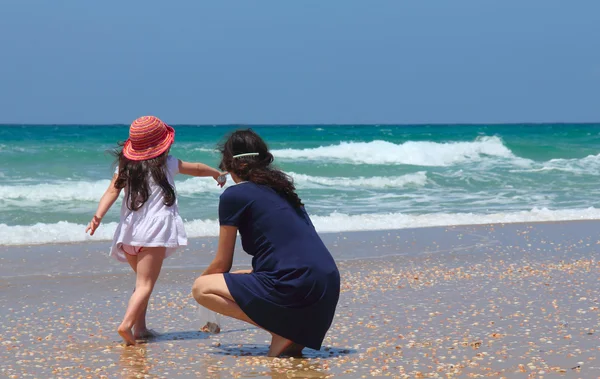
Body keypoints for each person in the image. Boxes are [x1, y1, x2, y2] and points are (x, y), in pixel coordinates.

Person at [192, 129, 340, 357]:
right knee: (244, 274)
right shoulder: (283, 190)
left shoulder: (233, 196)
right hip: (325, 289)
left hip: (296, 286)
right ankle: (293, 330)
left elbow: (222, 264)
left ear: (230, 165)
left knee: (202, 288)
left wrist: (203, 287)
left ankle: (281, 329)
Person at [85, 115, 225, 346]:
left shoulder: (125, 167)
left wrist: (97, 217)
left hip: (128, 232)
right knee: (145, 284)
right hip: (154, 233)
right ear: (162, 144)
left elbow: (111, 192)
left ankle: (140, 328)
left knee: (140, 283)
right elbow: (197, 169)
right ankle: (126, 326)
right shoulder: (167, 163)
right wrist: (216, 173)